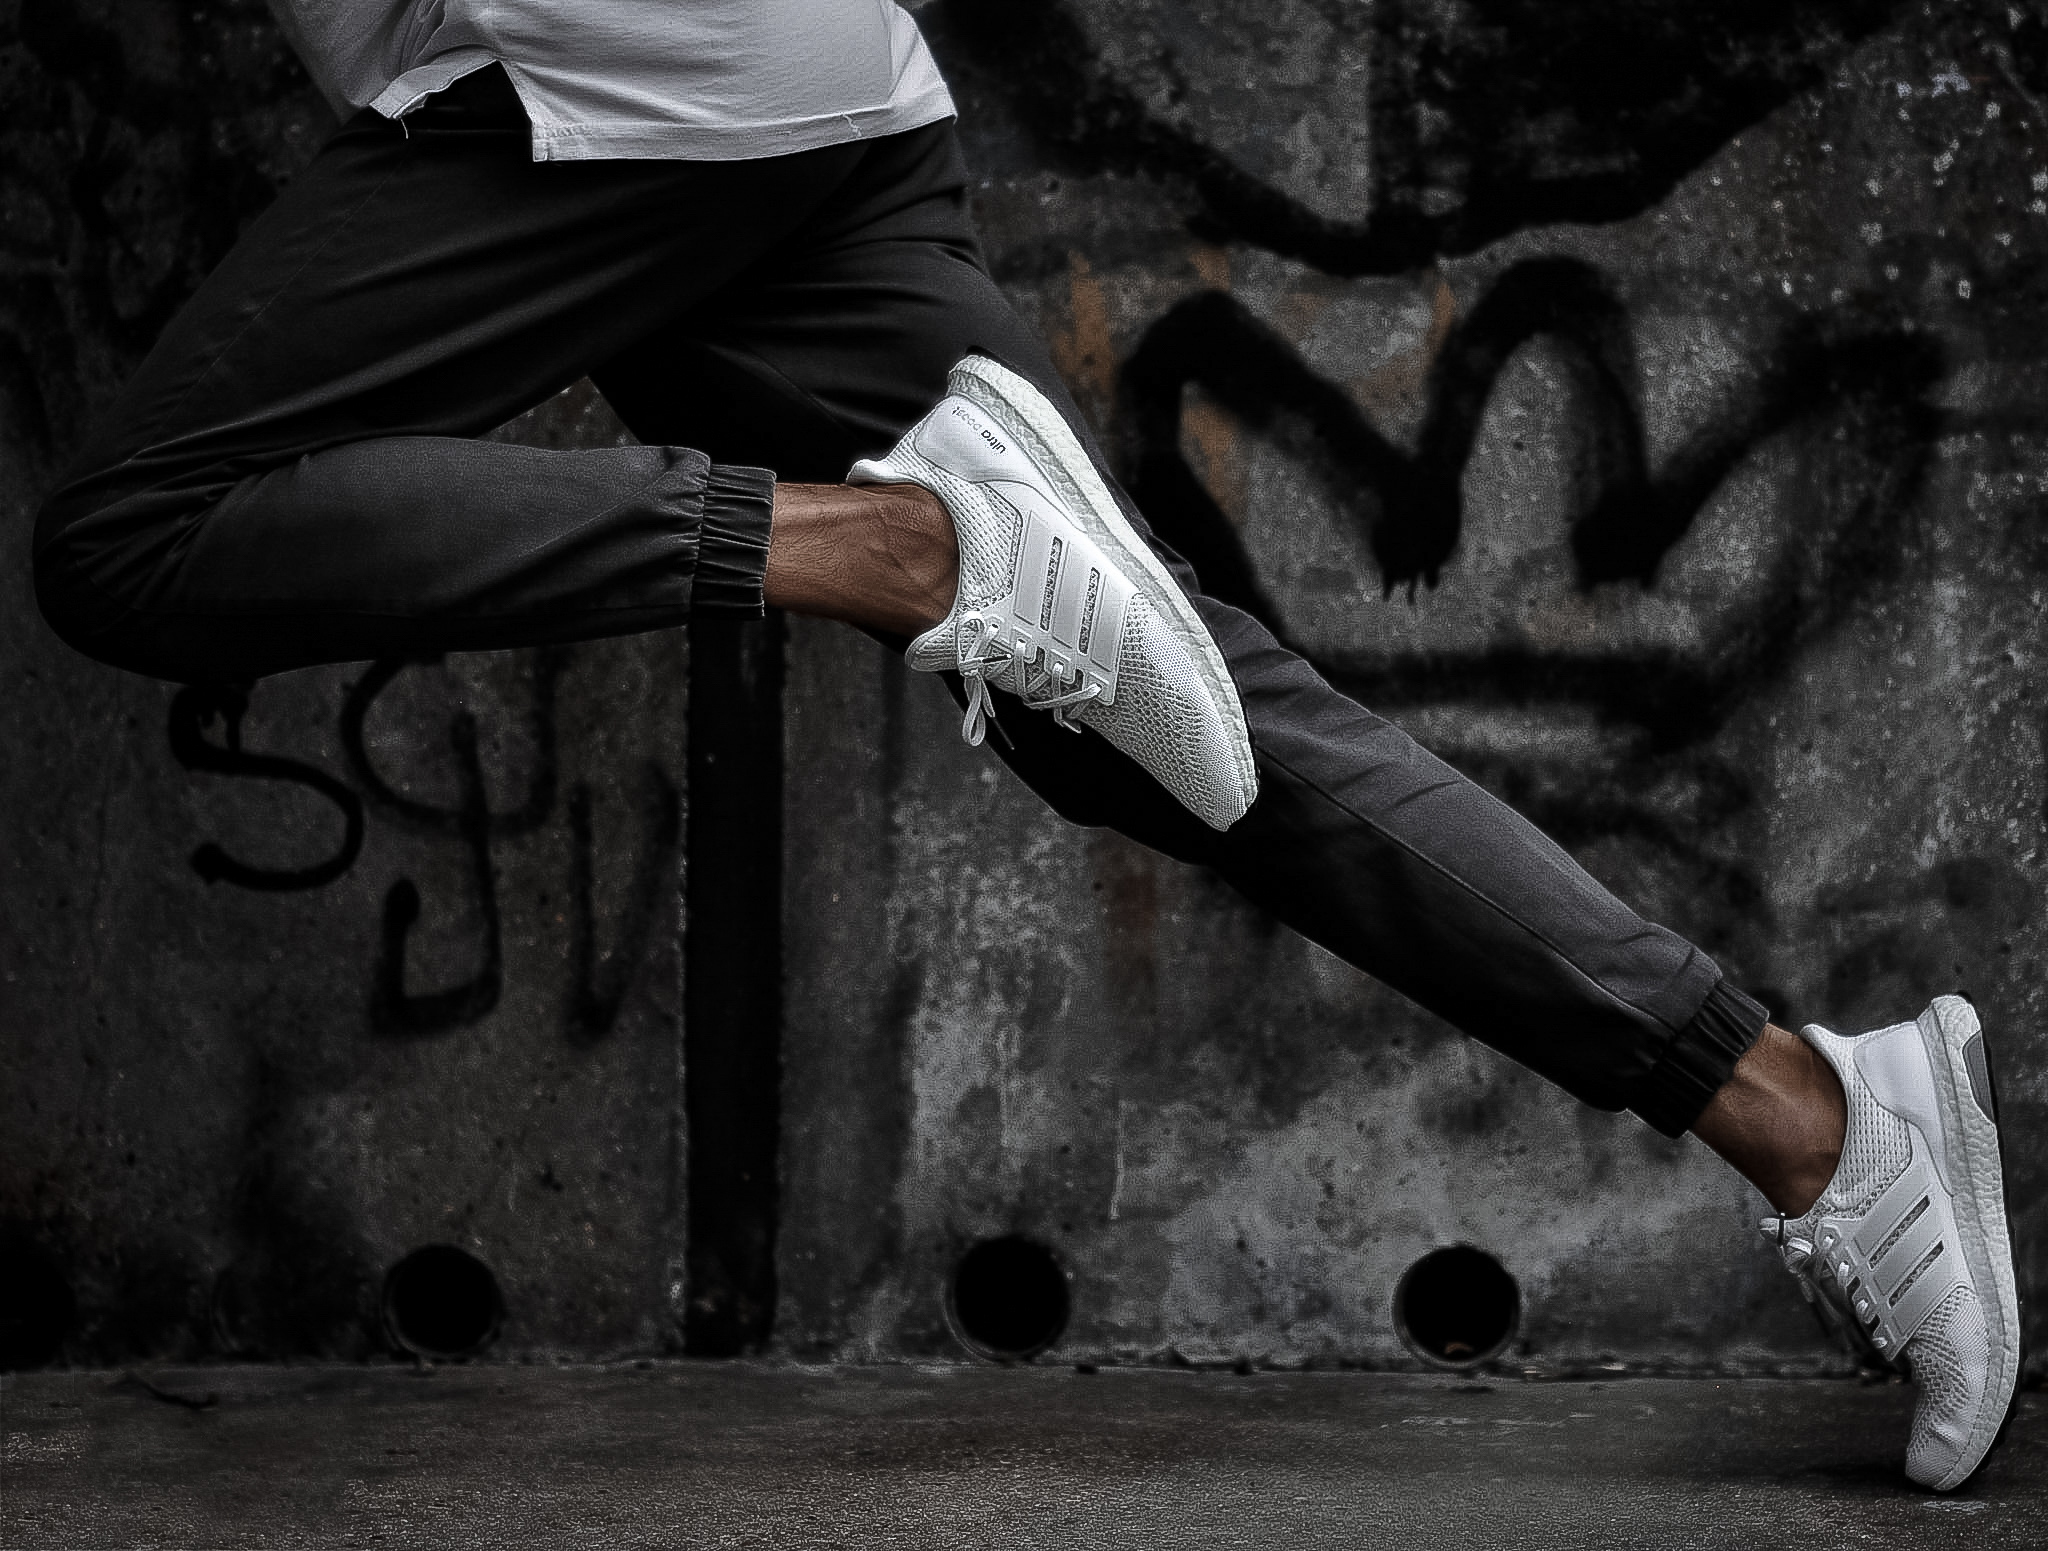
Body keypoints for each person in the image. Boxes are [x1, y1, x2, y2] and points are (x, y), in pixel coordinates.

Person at [29, 0, 2017, 1491]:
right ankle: (1807, 1110)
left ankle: (899, 542)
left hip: (602, 71)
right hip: (799, 83)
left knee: (136, 534)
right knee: (1154, 716)